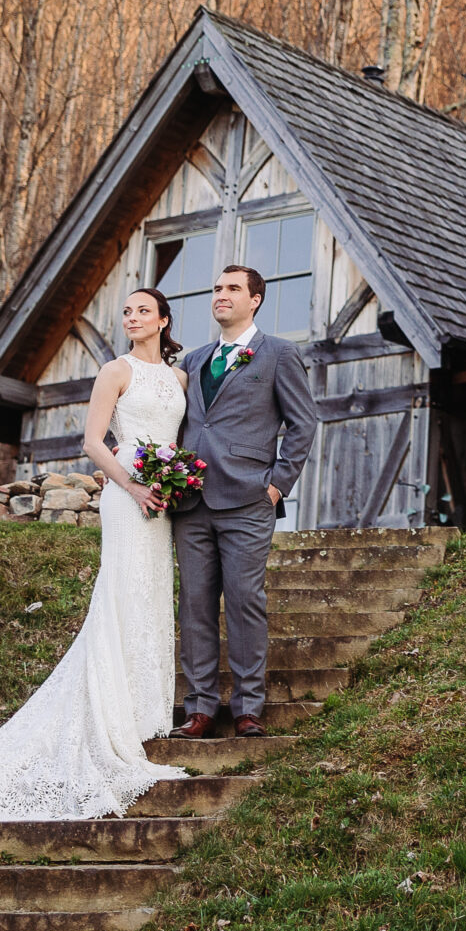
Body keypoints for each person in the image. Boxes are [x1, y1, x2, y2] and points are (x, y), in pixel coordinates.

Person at [0, 287, 191, 820]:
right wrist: (132, 487)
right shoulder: (115, 371)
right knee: (123, 589)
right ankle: (114, 712)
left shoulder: (179, 378)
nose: (132, 318)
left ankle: (150, 710)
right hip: (128, 492)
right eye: (127, 312)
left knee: (155, 592)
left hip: (165, 494)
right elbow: (92, 442)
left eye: (142, 311)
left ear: (164, 320)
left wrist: (173, 480)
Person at [170, 264, 314, 739]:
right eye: (216, 288)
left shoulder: (278, 354)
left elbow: (303, 423)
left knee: (245, 602)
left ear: (255, 299)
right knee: (194, 606)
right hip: (191, 504)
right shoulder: (193, 361)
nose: (221, 295)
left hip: (249, 498)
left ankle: (248, 706)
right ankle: (200, 708)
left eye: (232, 288)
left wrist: (277, 484)